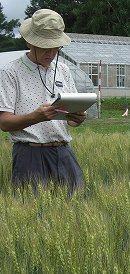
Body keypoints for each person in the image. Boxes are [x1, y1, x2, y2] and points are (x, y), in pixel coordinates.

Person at [0, 9, 87, 193]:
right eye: (45, 46)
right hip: (29, 155)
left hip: (63, 152)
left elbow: (70, 120)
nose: (51, 52)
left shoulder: (63, 70)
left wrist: (77, 118)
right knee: (33, 215)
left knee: (76, 209)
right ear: (29, 42)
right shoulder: (10, 72)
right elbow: (4, 122)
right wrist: (35, 117)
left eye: (56, 47)